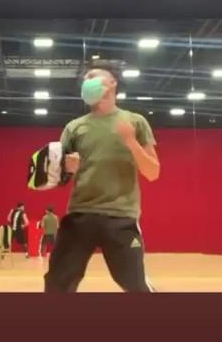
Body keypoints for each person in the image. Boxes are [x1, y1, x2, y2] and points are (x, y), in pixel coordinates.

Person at [44, 61, 160, 293]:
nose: (86, 81)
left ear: (112, 82)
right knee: (57, 284)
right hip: (80, 215)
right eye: (85, 79)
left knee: (135, 285)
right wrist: (66, 168)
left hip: (121, 217)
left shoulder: (135, 122)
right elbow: (58, 178)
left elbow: (153, 172)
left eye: (93, 76)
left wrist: (131, 141)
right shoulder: (74, 127)